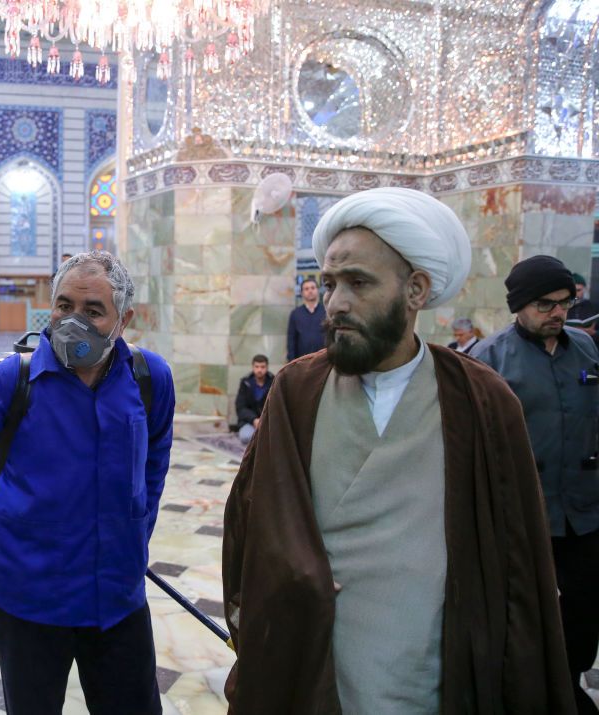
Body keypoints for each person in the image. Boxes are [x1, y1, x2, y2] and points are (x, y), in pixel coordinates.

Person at [223, 187, 574, 714]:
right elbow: (250, 526)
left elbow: (518, 564)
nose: (336, 302)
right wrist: (292, 576)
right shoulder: (297, 390)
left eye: (358, 283)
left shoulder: (481, 400)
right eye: (330, 283)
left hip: (431, 678)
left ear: (415, 290)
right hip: (315, 674)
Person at [0, 251, 174, 715]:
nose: (73, 321)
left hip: (116, 596)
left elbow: (154, 466)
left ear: (123, 319)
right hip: (29, 595)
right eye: (64, 306)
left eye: (92, 311)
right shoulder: (14, 377)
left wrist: (132, 541)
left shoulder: (149, 379)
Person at [471, 255, 599, 714]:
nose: (557, 313)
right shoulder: (487, 361)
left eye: (565, 303)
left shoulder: (587, 352)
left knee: (584, 611)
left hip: (585, 513)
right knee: (522, 614)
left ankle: (566, 686)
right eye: (545, 304)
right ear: (520, 305)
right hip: (523, 517)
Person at [233, 354, 274, 444]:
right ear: (253, 367)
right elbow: (240, 407)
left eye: (263, 367)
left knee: (275, 439)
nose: (259, 370)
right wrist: (254, 419)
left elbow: (277, 406)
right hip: (249, 422)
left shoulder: (274, 382)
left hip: (269, 422)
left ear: (267, 367)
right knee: (246, 437)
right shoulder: (245, 383)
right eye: (257, 367)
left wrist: (264, 420)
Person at [286, 277, 326, 361]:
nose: (310, 291)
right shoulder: (295, 314)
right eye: (306, 289)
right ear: (302, 293)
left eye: (313, 288)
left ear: (317, 290)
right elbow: (291, 339)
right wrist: (292, 361)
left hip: (324, 361)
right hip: (302, 361)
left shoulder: (326, 312)